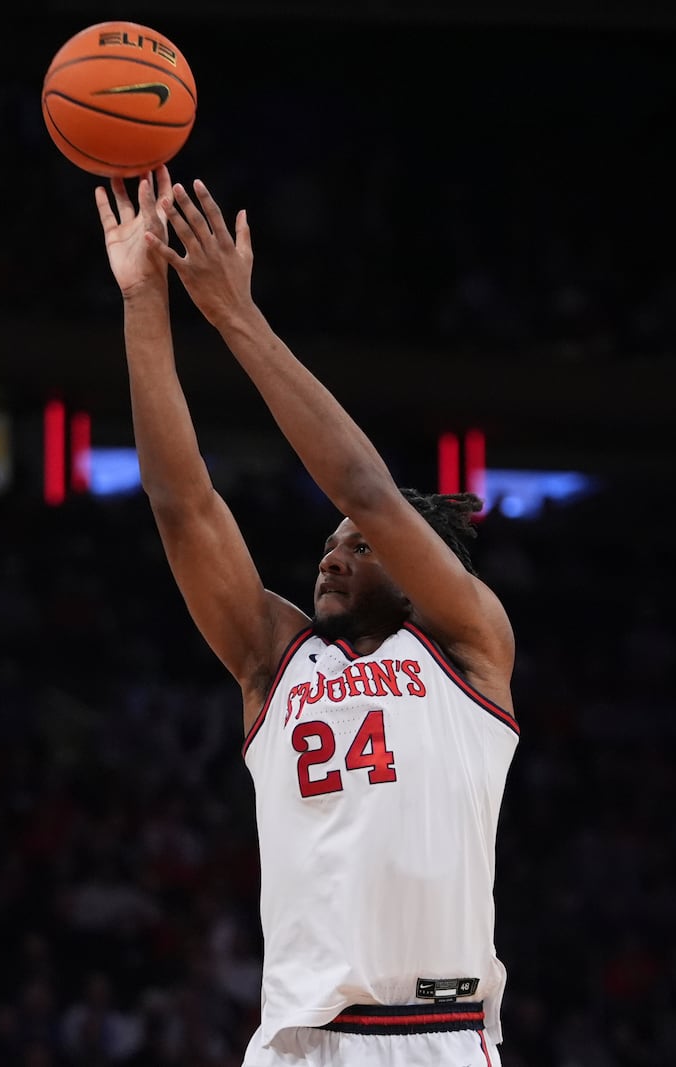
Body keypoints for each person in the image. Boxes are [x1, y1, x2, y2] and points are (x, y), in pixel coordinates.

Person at [94, 168, 519, 1066]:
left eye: (360, 548)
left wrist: (236, 317)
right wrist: (144, 303)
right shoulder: (275, 658)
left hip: (435, 1038)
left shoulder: (472, 647)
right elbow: (183, 504)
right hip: (300, 1044)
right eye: (329, 544)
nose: (333, 552)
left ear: (415, 573)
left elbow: (362, 489)